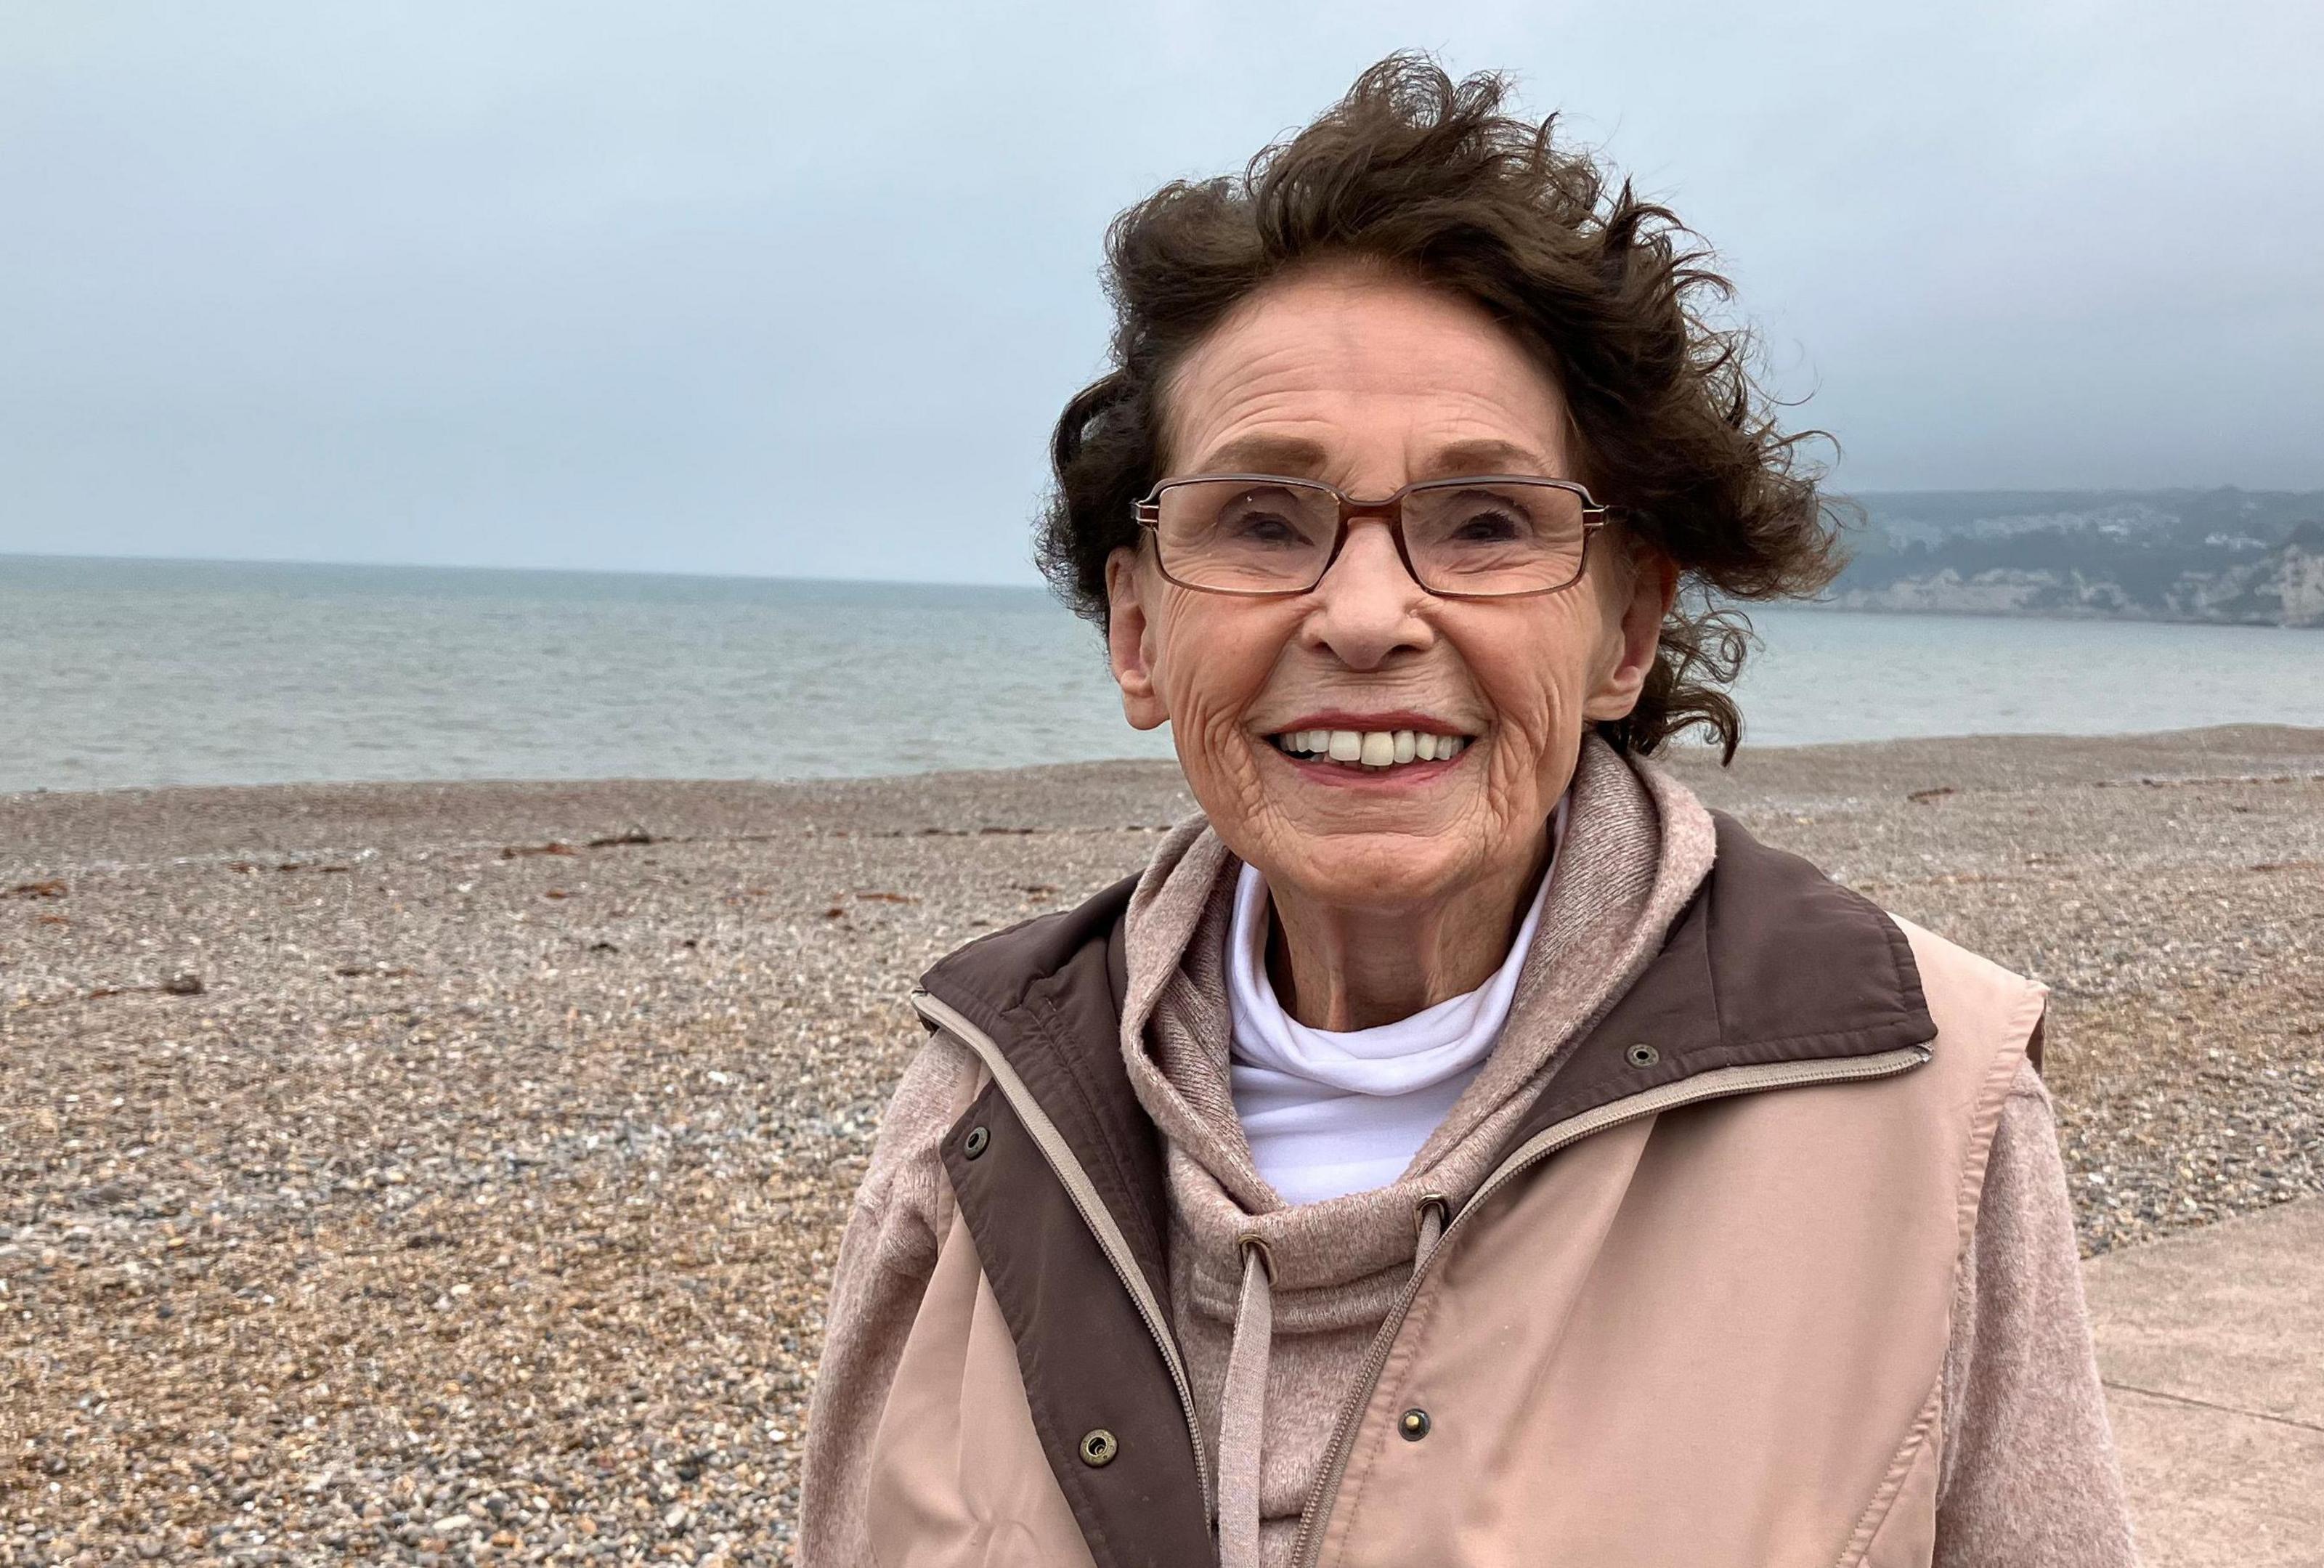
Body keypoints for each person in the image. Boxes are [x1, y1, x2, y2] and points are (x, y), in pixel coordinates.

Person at [800, 56, 2135, 1568]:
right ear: (1137, 629)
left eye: (1487, 522)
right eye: (1261, 518)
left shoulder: (1926, 1101)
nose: (1366, 614)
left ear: (1625, 630)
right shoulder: (980, 1106)